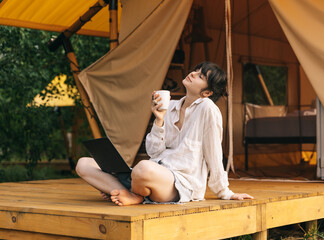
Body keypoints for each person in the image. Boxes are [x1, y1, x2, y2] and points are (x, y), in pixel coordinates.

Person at [76, 61, 254, 206]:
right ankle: (128, 193)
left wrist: (225, 192)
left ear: (207, 92)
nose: (193, 74)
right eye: (195, 70)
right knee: (83, 164)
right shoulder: (172, 106)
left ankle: (130, 194)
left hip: (180, 184)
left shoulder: (208, 109)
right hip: (152, 175)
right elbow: (154, 152)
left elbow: (214, 153)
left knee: (143, 168)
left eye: (200, 76)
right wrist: (159, 119)